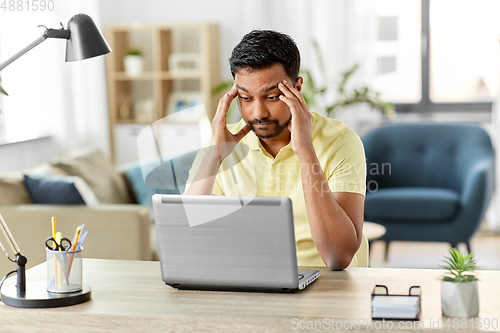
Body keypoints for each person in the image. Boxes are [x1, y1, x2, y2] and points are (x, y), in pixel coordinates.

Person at [184, 30, 366, 270]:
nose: (258, 113)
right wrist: (215, 156)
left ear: (297, 87)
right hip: (247, 283)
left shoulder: (341, 141)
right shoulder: (222, 142)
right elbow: (186, 236)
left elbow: (338, 256)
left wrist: (306, 152)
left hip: (325, 287)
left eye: (271, 97)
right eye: (246, 98)